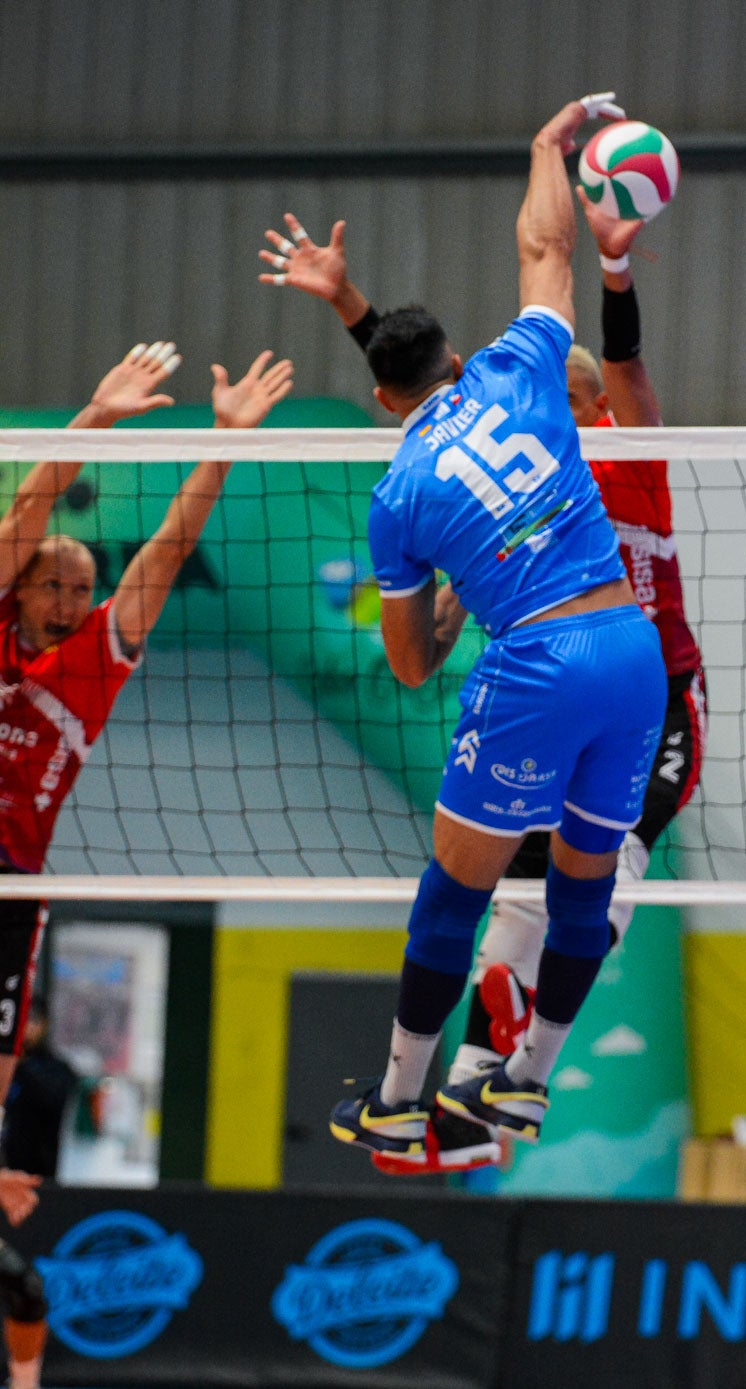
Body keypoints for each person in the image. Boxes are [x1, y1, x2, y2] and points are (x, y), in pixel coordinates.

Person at [260, 162, 706, 1178]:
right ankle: (516, 1075)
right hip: (633, 657)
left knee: (470, 892)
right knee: (557, 888)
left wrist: (612, 259)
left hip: (577, 669)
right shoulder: (533, 402)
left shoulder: (619, 442)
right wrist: (347, 299)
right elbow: (489, 322)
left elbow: (428, 400)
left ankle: (407, 1096)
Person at [0, 339, 293, 1386]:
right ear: (24, 585)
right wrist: (95, 415)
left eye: (84, 584)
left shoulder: (92, 665)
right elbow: (29, 507)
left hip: (12, 892)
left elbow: (166, 549)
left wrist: (219, 448)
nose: (73, 595)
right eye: (56, 581)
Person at [1, 994, 76, 1179]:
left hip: (36, 1176)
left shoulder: (55, 1068)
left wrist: (20, 1061)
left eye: (32, 1020)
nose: (26, 1027)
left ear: (44, 1025)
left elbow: (52, 1098)